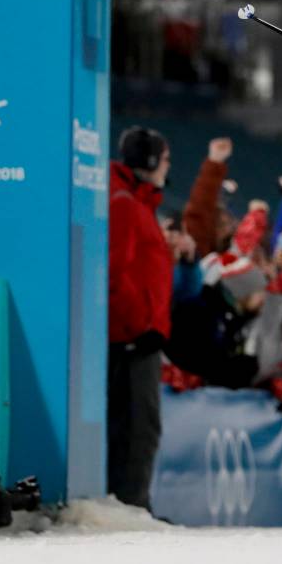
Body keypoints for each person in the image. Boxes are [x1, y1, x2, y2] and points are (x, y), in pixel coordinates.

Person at [107, 126, 174, 510]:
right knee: (138, 427)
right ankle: (131, 505)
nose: (168, 167)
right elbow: (114, 273)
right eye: (164, 160)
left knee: (139, 426)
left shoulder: (138, 204)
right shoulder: (125, 205)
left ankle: (132, 503)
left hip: (141, 336)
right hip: (133, 339)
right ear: (148, 162)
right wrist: (139, 326)